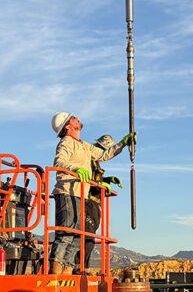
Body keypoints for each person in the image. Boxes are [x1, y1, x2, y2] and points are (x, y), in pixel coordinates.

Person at [49, 112, 134, 275]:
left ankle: (66, 271)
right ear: (68, 126)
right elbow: (59, 162)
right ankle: (55, 273)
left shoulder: (83, 145)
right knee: (67, 232)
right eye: (73, 118)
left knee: (76, 238)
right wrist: (75, 169)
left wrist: (123, 143)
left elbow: (103, 154)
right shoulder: (66, 143)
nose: (76, 118)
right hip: (67, 192)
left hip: (80, 194)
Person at [82, 135, 123, 269]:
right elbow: (88, 180)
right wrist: (101, 185)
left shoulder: (94, 162)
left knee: (90, 237)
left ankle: (83, 267)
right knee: (87, 238)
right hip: (88, 202)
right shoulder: (89, 160)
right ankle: (80, 267)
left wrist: (106, 180)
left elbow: (95, 178)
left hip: (94, 203)